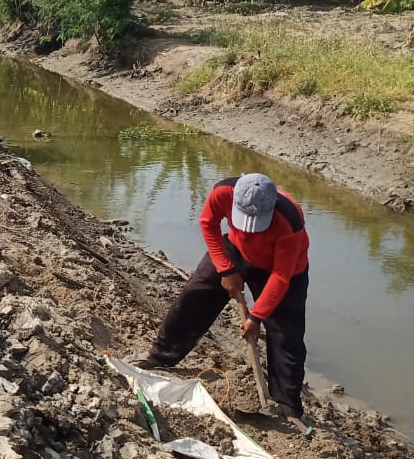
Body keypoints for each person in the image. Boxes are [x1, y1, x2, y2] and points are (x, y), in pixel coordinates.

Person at [129, 173, 312, 433]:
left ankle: (287, 405)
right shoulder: (222, 192)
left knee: (286, 334)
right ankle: (160, 354)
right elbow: (208, 223)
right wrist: (226, 269)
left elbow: (281, 277)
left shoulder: (289, 222)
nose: (250, 226)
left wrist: (256, 317)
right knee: (195, 296)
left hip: (282, 270)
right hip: (235, 249)